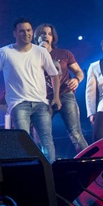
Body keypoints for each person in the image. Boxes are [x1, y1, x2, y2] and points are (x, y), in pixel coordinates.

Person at [0, 18, 60, 162]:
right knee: (23, 140)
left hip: (40, 102)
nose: (26, 33)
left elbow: (54, 74)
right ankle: (27, 172)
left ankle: (50, 173)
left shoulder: (41, 52)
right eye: (22, 31)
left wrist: (56, 97)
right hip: (18, 103)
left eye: (29, 30)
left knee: (46, 140)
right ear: (15, 33)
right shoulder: (4, 52)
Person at [34, 23, 88, 154]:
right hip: (43, 98)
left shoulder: (64, 53)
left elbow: (79, 72)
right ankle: (47, 166)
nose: (46, 36)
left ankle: (89, 161)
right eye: (42, 33)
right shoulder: (31, 55)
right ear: (37, 37)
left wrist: (76, 80)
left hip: (65, 94)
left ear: (53, 38)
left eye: (49, 34)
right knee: (40, 136)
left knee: (75, 132)